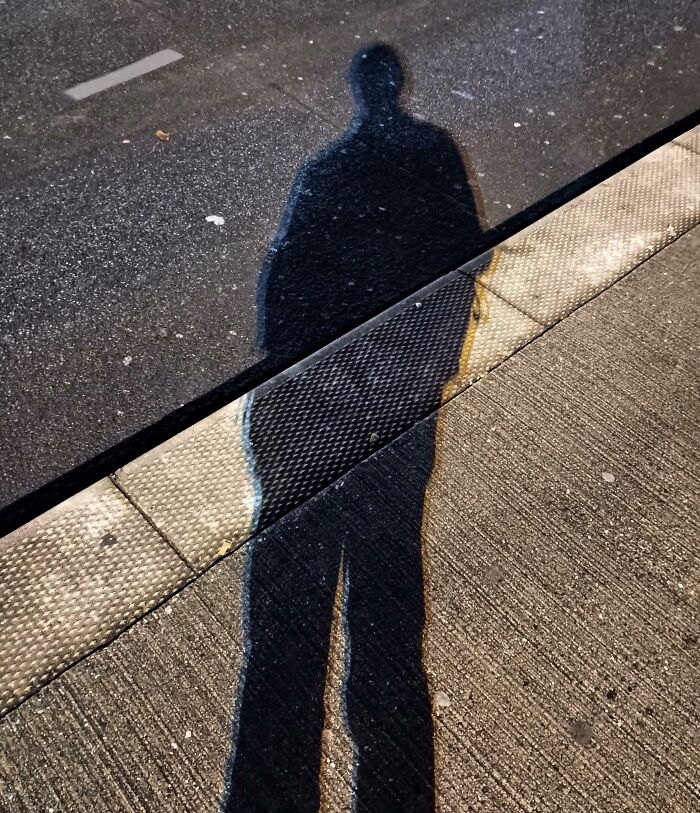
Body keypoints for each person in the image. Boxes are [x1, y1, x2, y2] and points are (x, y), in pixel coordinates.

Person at [223, 44, 485, 812]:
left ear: (358, 91)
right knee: (387, 587)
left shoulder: (326, 171)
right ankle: (390, 768)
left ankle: (276, 790)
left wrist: (295, 394)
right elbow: (464, 261)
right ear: (399, 87)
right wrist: (418, 374)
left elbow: (286, 286)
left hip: (316, 413)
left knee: (286, 635)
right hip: (397, 413)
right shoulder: (434, 155)